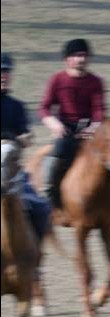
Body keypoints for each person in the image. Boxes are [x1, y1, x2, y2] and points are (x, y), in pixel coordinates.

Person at [37, 38, 107, 208]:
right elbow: (44, 108)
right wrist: (54, 124)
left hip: (90, 129)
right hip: (65, 128)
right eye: (77, 55)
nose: (81, 59)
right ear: (67, 59)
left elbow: (99, 110)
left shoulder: (96, 82)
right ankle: (50, 192)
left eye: (84, 55)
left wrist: (94, 127)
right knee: (58, 152)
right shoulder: (57, 80)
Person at [0, 52, 51, 240]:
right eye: (0, 72)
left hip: (12, 173)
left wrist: (24, 137)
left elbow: (26, 135)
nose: (3, 76)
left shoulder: (17, 106)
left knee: (41, 209)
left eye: (6, 71)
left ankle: (35, 255)